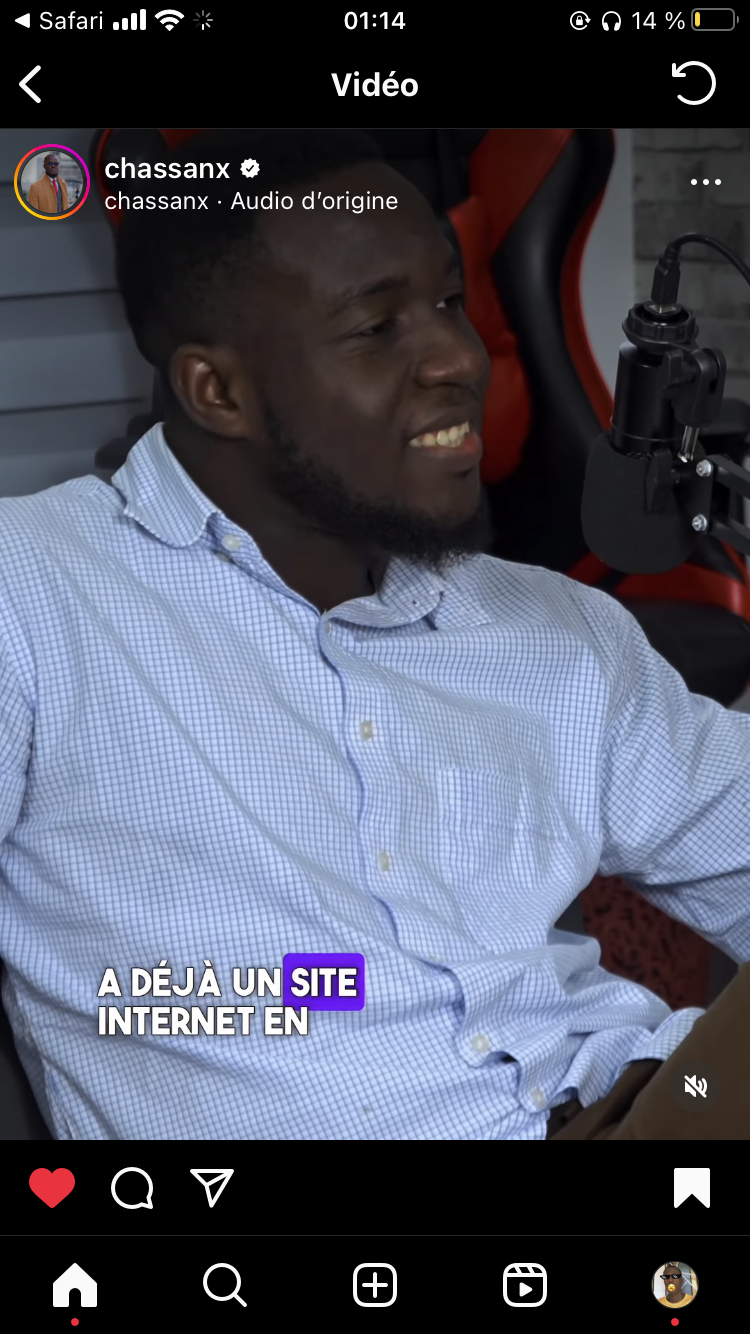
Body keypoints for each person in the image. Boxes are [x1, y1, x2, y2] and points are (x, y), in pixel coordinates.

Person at [1, 126, 749, 1140]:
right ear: (219, 391)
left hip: (649, 1100)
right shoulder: (35, 595)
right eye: (376, 326)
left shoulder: (557, 630)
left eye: (449, 302)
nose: (459, 357)